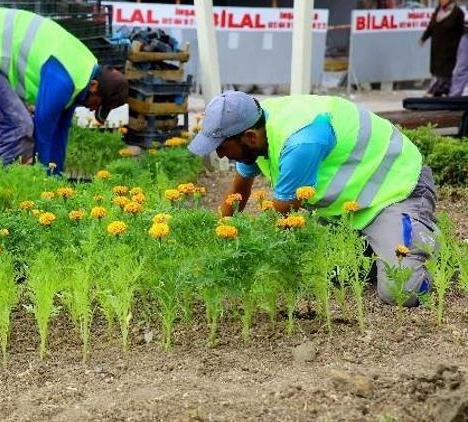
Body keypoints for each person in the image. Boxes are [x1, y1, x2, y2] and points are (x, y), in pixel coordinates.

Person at [188, 91, 438, 307]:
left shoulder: (299, 142)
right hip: (348, 212)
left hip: (394, 191)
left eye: (221, 145)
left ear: (249, 137)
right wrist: (215, 236)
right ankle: (375, 251)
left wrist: (246, 256)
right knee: (322, 273)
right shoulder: (257, 129)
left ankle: (425, 244)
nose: (219, 153)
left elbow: (282, 215)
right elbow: (238, 193)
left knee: (401, 291)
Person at [0, 7, 129, 173]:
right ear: (94, 85)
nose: (92, 109)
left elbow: (59, 132)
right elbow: (44, 133)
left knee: (24, 126)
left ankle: (18, 186)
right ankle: (8, 195)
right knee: (19, 126)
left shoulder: (83, 75)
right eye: (98, 104)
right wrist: (45, 183)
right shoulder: (64, 79)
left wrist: (57, 180)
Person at [419, 0, 464, 97]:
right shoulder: (438, 10)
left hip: (450, 47)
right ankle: (442, 91)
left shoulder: (457, 12)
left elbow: (462, 31)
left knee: (444, 70)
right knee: (436, 68)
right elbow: (431, 26)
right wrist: (424, 38)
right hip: (437, 46)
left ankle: (433, 90)